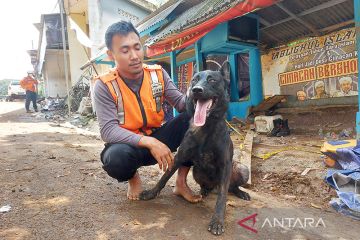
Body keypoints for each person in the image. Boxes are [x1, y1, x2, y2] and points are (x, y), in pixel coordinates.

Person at [93, 21, 201, 202]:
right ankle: (132, 177)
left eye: (137, 47)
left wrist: (199, 93)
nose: (134, 56)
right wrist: (149, 142)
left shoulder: (157, 74)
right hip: (128, 146)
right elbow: (108, 131)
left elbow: (182, 105)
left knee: (194, 118)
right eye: (125, 50)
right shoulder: (104, 85)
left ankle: (181, 182)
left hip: (159, 137)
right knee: (115, 159)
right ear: (111, 55)